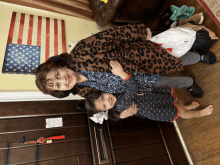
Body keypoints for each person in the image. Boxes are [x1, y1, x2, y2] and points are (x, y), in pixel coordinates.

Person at [35, 23, 217, 99]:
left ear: (59, 65)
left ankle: (198, 56)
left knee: (173, 60)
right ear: (61, 91)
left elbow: (110, 36)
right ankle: (189, 82)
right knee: (168, 81)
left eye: (57, 75)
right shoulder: (83, 91)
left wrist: (138, 31)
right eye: (58, 85)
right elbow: (107, 97)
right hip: (139, 83)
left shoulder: (80, 52)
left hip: (141, 58)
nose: (63, 81)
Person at [85, 61, 213, 123]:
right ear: (106, 110)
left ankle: (187, 106)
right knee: (178, 112)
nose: (107, 100)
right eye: (104, 105)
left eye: (102, 97)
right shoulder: (120, 105)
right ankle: (200, 114)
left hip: (152, 100)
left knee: (174, 103)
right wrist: (122, 74)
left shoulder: (115, 98)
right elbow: (132, 88)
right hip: (153, 107)